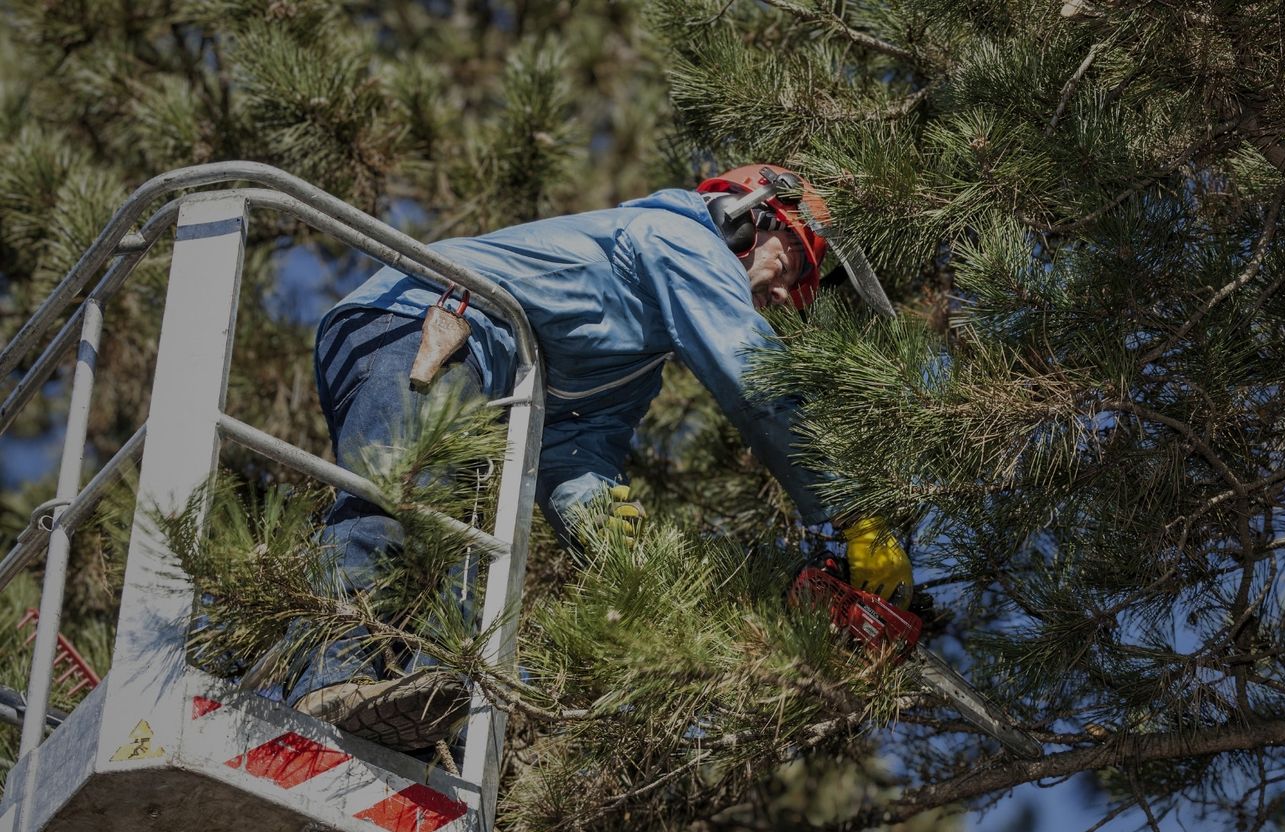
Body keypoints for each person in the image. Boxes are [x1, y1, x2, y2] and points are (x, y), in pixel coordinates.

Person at [273, 164, 913, 755]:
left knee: (465, 554)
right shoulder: (676, 237)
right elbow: (756, 379)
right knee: (406, 501)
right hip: (428, 325)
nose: (784, 295)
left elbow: (574, 456)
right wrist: (852, 513)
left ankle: (417, 736)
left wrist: (622, 549)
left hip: (474, 365)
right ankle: (331, 681)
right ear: (746, 218)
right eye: (791, 264)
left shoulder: (632, 361)